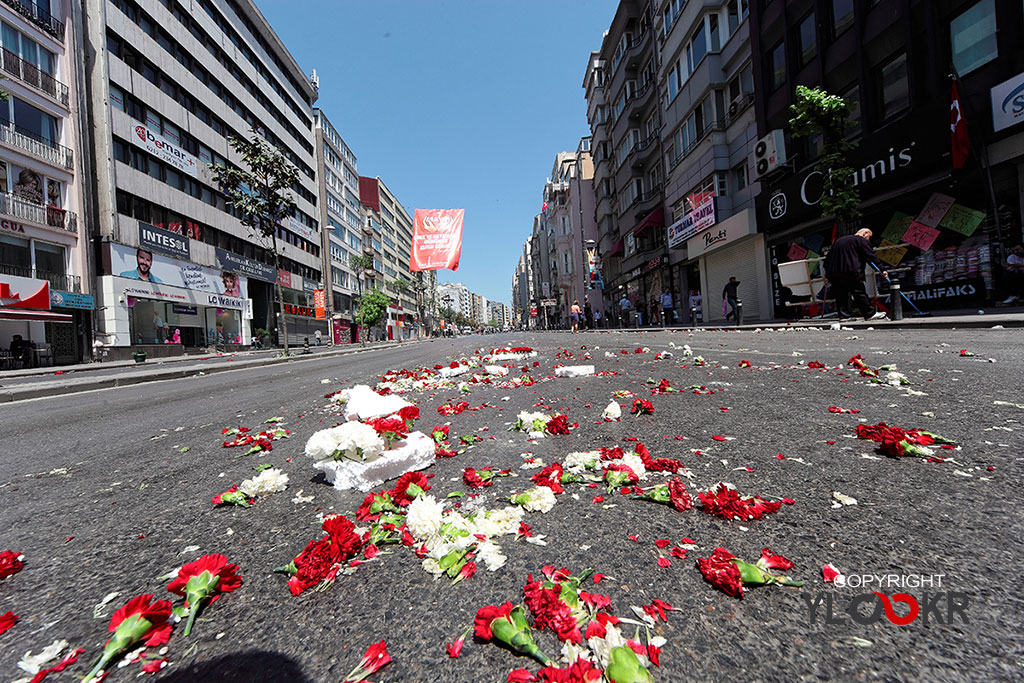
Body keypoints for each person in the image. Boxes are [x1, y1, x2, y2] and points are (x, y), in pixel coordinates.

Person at [824, 228, 888, 320]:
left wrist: (827, 271)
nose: (868, 239)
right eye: (869, 237)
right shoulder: (861, 240)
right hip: (851, 271)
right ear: (865, 233)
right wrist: (882, 269)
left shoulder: (839, 241)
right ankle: (869, 313)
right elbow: (870, 255)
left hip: (835, 273)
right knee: (859, 292)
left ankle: (843, 316)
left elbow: (828, 258)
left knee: (841, 295)